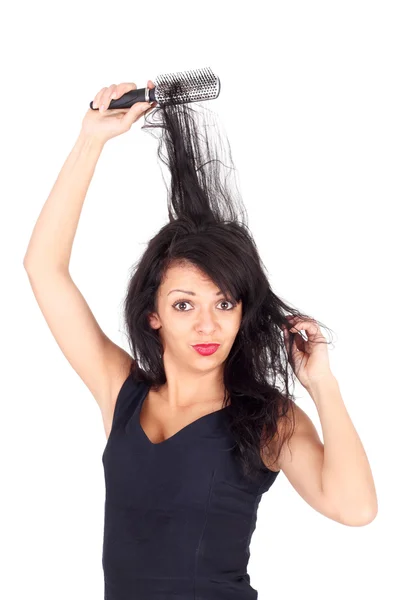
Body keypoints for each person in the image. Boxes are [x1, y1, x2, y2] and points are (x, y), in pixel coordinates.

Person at [23, 79, 378, 599]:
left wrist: (323, 386)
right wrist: (90, 141)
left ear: (241, 313)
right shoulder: (121, 393)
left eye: (224, 304)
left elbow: (355, 509)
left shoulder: (266, 419)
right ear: (153, 316)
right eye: (184, 305)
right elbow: (43, 268)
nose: (207, 325)